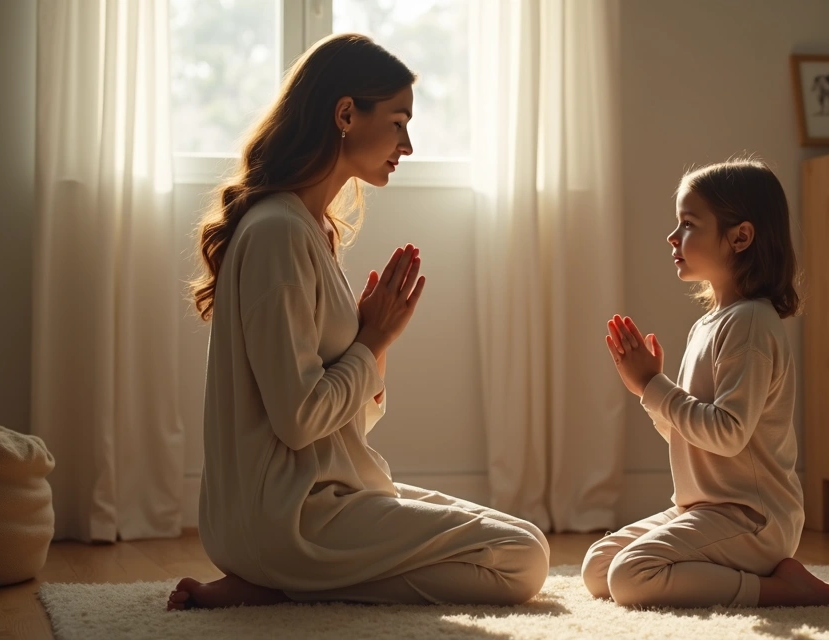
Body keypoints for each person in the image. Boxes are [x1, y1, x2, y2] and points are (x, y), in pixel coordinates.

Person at [167, 33, 549, 611]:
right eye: (398, 123)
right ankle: (286, 584)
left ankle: (282, 584)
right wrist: (371, 340)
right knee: (521, 557)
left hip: (316, 498)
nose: (408, 145)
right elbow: (299, 421)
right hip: (285, 517)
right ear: (345, 114)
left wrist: (377, 341)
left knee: (517, 537)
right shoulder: (278, 233)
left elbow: (352, 420)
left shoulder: (311, 228)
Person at [581, 158, 829, 609]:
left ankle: (784, 589)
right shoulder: (709, 324)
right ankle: (750, 574)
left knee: (630, 577)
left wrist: (654, 385)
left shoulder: (751, 324)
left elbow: (727, 435)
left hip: (752, 518)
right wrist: (650, 392)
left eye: (688, 224)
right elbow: (693, 437)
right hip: (703, 508)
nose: (673, 237)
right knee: (598, 568)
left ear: (740, 237)